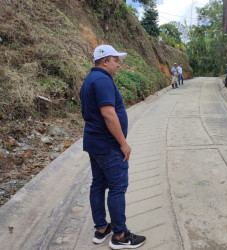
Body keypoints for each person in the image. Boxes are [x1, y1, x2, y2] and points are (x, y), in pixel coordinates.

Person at [80, 44, 146, 249]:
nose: (119, 64)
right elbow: (109, 114)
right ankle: (120, 235)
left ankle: (101, 229)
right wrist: (123, 144)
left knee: (98, 184)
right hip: (108, 146)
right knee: (117, 188)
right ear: (105, 60)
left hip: (94, 143)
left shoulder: (90, 79)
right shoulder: (102, 80)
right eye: (116, 60)